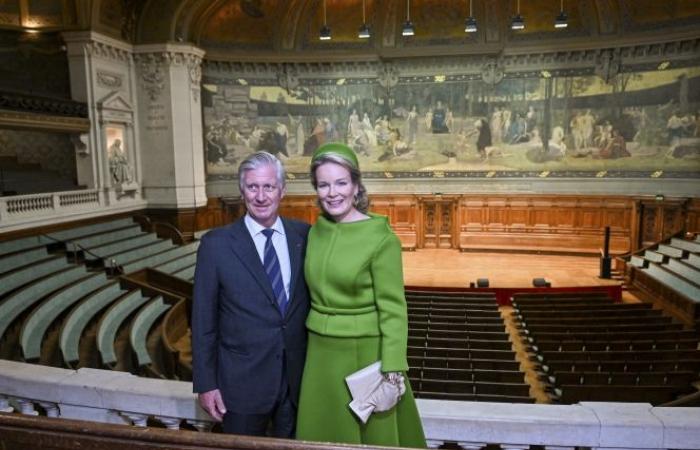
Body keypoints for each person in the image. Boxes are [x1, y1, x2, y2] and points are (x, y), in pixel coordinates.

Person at [295, 142, 426, 448]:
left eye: (341, 183)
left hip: (365, 356)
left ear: (356, 185)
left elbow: (394, 309)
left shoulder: (381, 238)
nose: (333, 192)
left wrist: (393, 367)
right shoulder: (315, 231)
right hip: (319, 354)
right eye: (324, 184)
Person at [191, 151, 311, 437]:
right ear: (241, 191)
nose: (261, 196)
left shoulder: (305, 237)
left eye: (268, 186)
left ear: (282, 190)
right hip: (241, 386)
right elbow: (203, 322)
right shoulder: (216, 245)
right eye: (252, 187)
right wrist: (206, 384)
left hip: (297, 383)